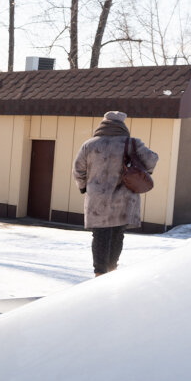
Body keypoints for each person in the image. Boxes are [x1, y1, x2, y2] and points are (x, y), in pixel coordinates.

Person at [72, 111, 158, 277]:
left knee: (99, 234)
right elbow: (151, 160)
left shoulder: (89, 145)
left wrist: (83, 187)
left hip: (97, 199)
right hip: (123, 198)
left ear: (103, 123)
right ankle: (112, 271)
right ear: (122, 125)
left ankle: (99, 273)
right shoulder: (132, 143)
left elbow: (78, 170)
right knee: (118, 233)